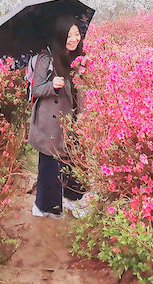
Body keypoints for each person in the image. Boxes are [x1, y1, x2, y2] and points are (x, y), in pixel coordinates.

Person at [27, 14, 90, 218]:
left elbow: (82, 89)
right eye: (69, 35)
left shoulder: (79, 57)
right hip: (50, 123)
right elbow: (35, 89)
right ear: (59, 35)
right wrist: (51, 86)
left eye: (77, 34)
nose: (74, 39)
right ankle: (47, 208)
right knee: (50, 169)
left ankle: (74, 199)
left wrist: (87, 71)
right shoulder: (46, 58)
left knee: (76, 161)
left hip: (72, 119)